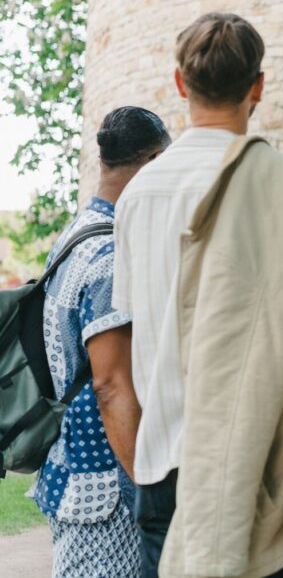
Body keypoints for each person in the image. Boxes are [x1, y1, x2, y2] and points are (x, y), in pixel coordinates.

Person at [111, 12, 283, 578]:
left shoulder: (137, 196)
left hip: (164, 460)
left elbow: (133, 330)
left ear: (181, 83)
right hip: (258, 460)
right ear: (258, 86)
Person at [33, 106, 170, 577]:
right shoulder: (110, 253)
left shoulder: (74, 235)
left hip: (70, 467)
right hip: (104, 489)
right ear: (153, 162)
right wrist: (149, 492)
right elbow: (110, 385)